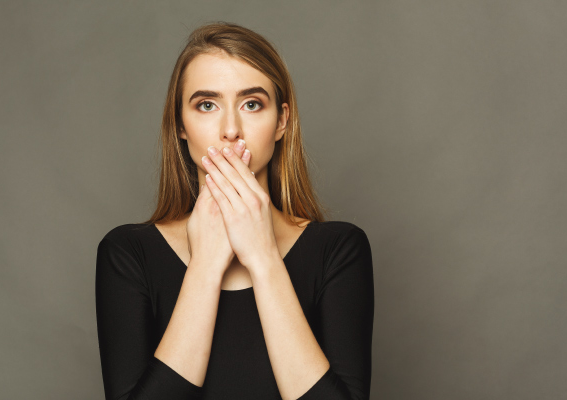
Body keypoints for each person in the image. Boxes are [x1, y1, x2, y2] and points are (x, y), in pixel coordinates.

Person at [95, 21, 374, 400]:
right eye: (207, 105)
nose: (230, 129)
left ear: (282, 121)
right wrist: (206, 265)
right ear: (180, 123)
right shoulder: (128, 253)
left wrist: (263, 257)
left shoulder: (339, 248)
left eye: (252, 104)